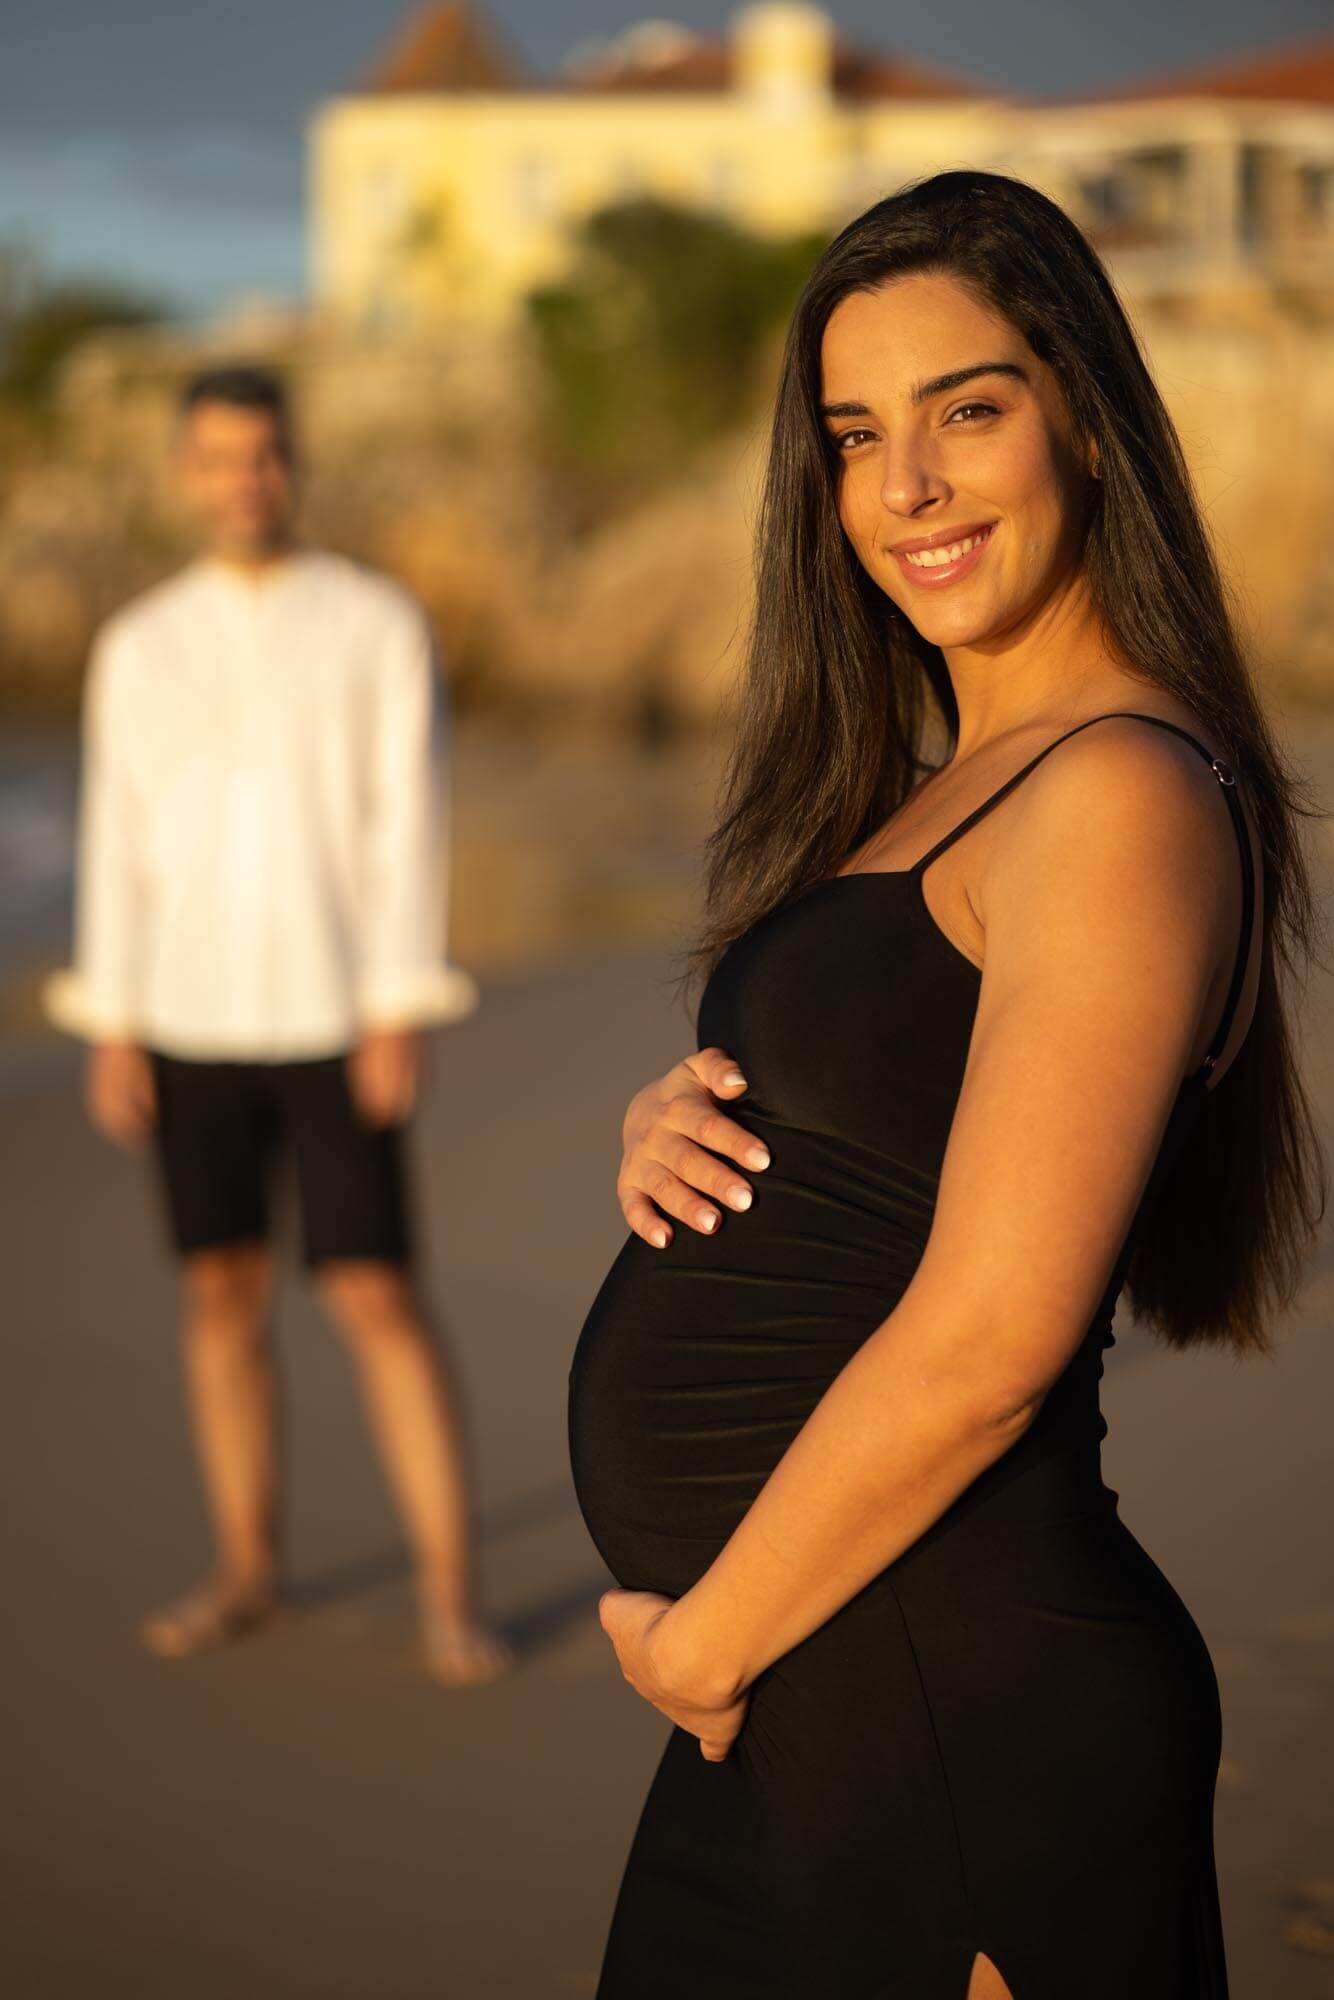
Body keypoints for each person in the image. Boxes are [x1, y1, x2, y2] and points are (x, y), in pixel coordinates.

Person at [566, 170, 1327, 1997]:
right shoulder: (948, 774)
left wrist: (706, 1645)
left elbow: (995, 1329)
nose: (901, 487)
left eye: (965, 413)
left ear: (1085, 416)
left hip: (940, 1699)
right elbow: (889, 1134)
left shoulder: (1123, 793)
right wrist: (685, 1122)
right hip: (820, 1669)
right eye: (853, 436)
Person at [46, 363, 512, 1687]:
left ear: (292, 464)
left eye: (263, 456)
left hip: (332, 1011)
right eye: (216, 458)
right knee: (219, 1290)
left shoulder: (374, 623)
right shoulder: (141, 643)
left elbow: (402, 822)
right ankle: (247, 1567)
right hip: (184, 1015)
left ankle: (448, 1596)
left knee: (374, 1293)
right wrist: (114, 1020)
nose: (242, 480)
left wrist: (393, 1001)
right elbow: (118, 837)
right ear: (184, 473)